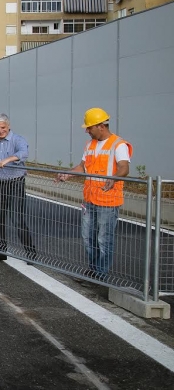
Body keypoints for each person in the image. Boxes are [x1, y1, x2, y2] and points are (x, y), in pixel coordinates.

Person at [56, 107, 132, 279]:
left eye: (89, 127)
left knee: (104, 240)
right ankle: (93, 270)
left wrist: (113, 178)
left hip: (108, 200)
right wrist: (67, 174)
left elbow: (124, 168)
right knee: (88, 238)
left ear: (100, 126)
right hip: (90, 199)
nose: (87, 131)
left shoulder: (118, 145)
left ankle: (101, 274)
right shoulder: (90, 145)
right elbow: (83, 166)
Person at [0, 113, 37, 263]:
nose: (0, 131)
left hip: (15, 183)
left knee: (17, 218)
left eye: (3, 127)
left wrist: (8, 159)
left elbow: (23, 153)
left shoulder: (18, 139)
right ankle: (1, 251)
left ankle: (31, 253)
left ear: (8, 126)